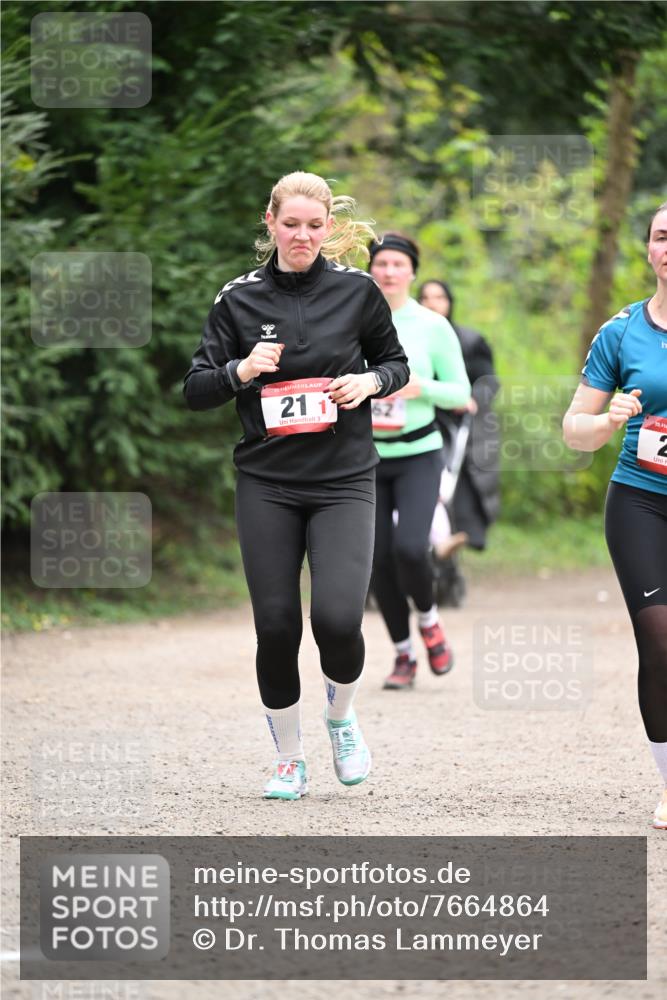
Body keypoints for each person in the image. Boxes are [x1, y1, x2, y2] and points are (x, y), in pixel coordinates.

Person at [183, 172, 409, 800]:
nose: (303, 236)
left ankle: (340, 718)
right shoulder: (238, 300)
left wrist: (370, 383)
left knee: (337, 619)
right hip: (268, 483)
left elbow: (396, 364)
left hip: (343, 480)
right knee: (277, 625)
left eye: (315, 225)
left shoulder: (359, 293)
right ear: (271, 223)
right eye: (291, 224)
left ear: (329, 227)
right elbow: (196, 388)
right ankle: (288, 757)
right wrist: (240, 369)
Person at [563, 202, 667, 830]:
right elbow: (575, 430)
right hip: (640, 500)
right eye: (662, 236)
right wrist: (605, 423)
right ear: (649, 249)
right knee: (659, 642)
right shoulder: (622, 331)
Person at [368, 233, 470, 689]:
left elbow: (461, 392)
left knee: (410, 548)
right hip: (364, 459)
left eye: (397, 265)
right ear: (370, 270)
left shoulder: (431, 325)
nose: (388, 272)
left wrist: (420, 388)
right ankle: (403, 654)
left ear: (412, 272)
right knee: (377, 559)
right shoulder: (352, 319)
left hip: (419, 453)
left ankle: (428, 620)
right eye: (381, 264)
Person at [418, 279, 501, 556]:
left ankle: (446, 558)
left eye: (439, 297)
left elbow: (488, 380)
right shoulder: (405, 338)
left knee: (456, 494)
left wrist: (472, 399)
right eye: (426, 297)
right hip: (419, 423)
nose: (432, 303)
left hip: (461, 430)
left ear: (450, 302)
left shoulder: (469, 341)